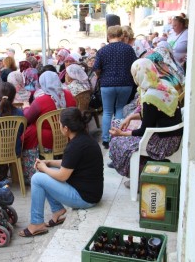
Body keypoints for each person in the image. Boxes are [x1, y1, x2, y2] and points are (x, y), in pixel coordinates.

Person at [18, 107, 104, 237]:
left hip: (85, 198)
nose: (59, 126)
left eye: (59, 124)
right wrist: (49, 163)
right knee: (45, 174)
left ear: (66, 128)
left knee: (37, 178)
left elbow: (62, 176)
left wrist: (44, 168)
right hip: (91, 193)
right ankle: (57, 210)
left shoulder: (75, 145)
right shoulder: (83, 138)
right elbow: (69, 163)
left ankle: (36, 223)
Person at [108, 58, 183, 188]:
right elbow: (153, 115)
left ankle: (140, 178)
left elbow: (144, 130)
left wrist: (122, 133)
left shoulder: (151, 96)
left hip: (164, 142)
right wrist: (130, 117)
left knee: (118, 142)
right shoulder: (162, 85)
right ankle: (142, 170)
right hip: (171, 135)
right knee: (120, 129)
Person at [21, 71, 77, 183]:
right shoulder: (69, 96)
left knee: (30, 131)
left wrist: (26, 107)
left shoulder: (40, 101)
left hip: (46, 141)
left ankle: (31, 174)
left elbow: (27, 119)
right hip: (66, 136)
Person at [93, 25, 137, 149]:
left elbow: (96, 68)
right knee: (120, 109)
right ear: (122, 35)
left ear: (108, 36)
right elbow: (135, 65)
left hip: (107, 84)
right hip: (125, 83)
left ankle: (106, 139)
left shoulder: (102, 51)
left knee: (107, 112)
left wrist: (101, 75)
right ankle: (116, 136)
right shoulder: (128, 49)